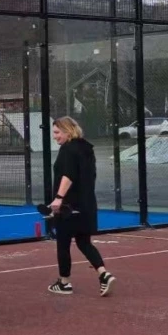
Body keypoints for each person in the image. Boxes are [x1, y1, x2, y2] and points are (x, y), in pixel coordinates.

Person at [47, 116, 116, 297]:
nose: (55, 137)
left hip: (70, 207)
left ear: (67, 131)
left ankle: (64, 282)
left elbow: (68, 175)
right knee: (84, 242)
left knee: (63, 243)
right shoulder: (87, 149)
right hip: (87, 205)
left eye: (57, 132)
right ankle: (103, 273)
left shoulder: (67, 150)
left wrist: (59, 198)